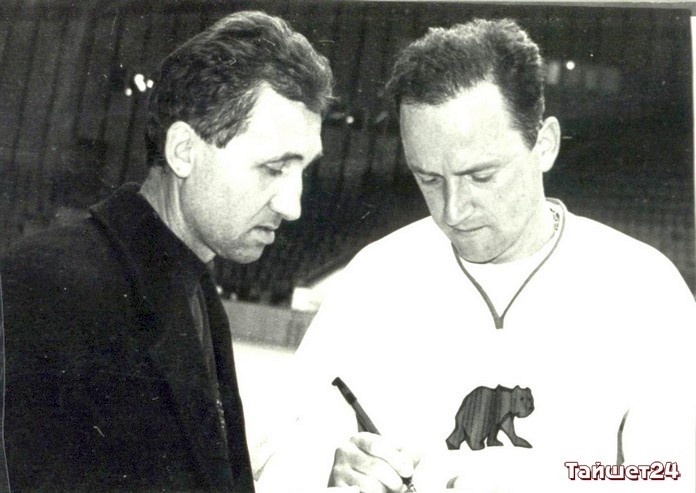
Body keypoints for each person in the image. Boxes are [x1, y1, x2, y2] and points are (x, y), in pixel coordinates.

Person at [256, 18, 696, 493]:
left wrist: (555, 479)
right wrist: (327, 466)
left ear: (544, 145)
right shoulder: (376, 275)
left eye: (481, 176)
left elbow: (672, 473)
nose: (453, 210)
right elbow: (276, 448)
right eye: (429, 179)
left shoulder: (644, 287)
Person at [1, 10, 332, 492]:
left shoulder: (194, 288)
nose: (293, 205)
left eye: (303, 170)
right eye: (273, 168)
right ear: (183, 151)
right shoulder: (49, 286)